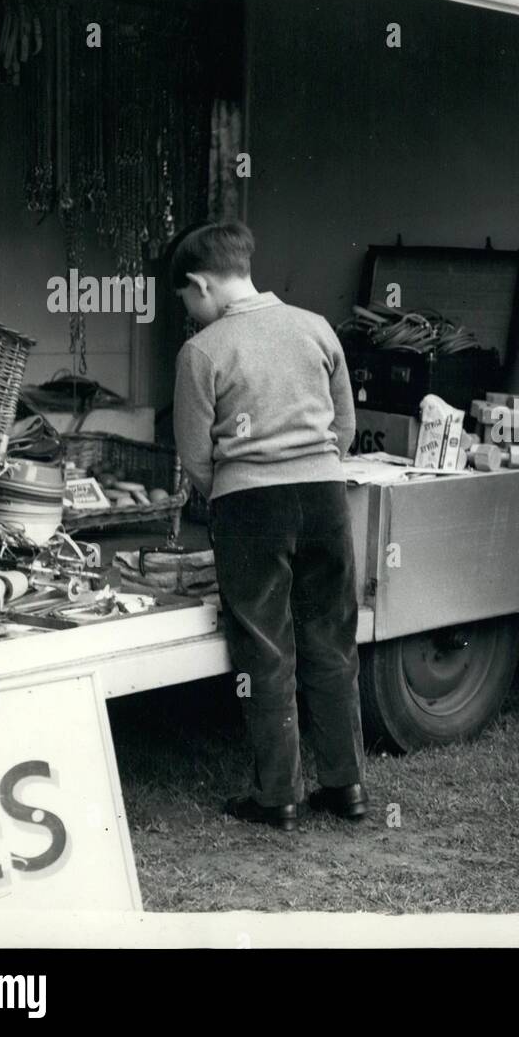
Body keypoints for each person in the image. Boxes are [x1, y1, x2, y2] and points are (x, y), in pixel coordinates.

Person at [171, 220, 367, 833]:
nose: (190, 312)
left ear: (202, 284)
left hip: (250, 507)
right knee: (332, 640)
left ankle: (277, 796)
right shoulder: (316, 328)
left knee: (265, 648)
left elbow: (195, 455)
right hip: (325, 497)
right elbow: (345, 427)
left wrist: (230, 489)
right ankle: (346, 787)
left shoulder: (202, 351)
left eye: (187, 300)